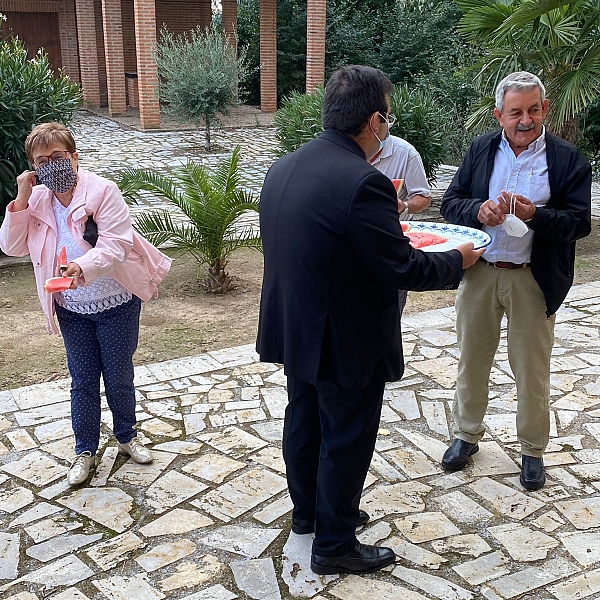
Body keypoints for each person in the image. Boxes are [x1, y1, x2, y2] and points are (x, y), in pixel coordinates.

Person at [256, 65, 483, 575]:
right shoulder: (364, 182)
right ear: (374, 121)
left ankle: (311, 513)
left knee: (304, 420)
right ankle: (334, 545)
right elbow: (400, 264)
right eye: (388, 116)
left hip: (297, 324)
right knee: (346, 436)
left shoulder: (284, 166)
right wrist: (459, 259)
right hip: (346, 335)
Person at [440, 72, 591, 491]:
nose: (526, 119)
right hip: (481, 272)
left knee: (531, 370)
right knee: (472, 360)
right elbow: (451, 203)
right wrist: (478, 212)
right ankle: (466, 435)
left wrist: (535, 216)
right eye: (515, 112)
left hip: (533, 279)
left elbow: (579, 224)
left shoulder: (567, 159)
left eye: (533, 110)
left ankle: (532, 451)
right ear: (499, 115)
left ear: (544, 109)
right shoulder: (481, 148)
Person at [0, 122, 172, 486]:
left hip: (116, 301)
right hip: (71, 306)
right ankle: (85, 451)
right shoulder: (37, 201)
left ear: (74, 157)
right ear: (33, 167)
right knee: (82, 380)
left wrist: (83, 266)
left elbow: (117, 244)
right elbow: (12, 247)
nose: (51, 164)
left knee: (118, 373)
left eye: (58, 156)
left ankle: (126, 437)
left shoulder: (102, 191)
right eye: (41, 160)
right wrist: (19, 200)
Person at [371, 134, 432, 314]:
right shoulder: (347, 148)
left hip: (392, 246)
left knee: (391, 315)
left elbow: (424, 197)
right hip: (352, 245)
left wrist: (404, 205)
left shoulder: (405, 153)